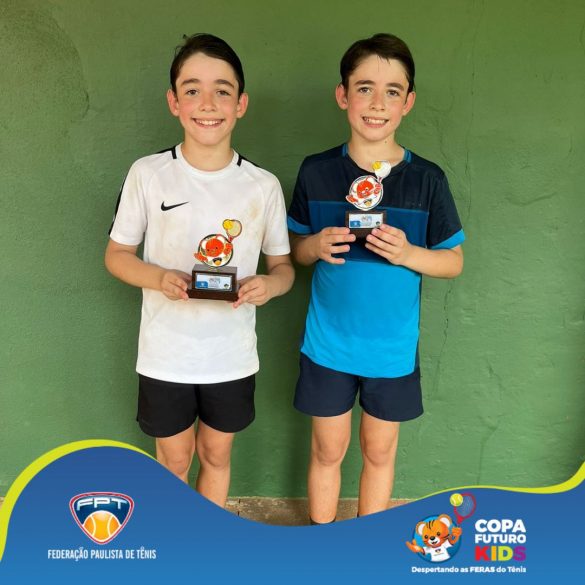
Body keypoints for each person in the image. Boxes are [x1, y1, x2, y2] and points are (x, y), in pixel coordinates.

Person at [105, 33, 294, 507]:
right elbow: (117, 256)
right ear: (174, 102)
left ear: (241, 104)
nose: (207, 104)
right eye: (192, 90)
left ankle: (207, 542)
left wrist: (269, 286)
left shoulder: (263, 185)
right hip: (165, 353)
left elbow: (284, 268)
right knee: (173, 460)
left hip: (231, 356)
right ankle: (172, 540)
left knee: (215, 455)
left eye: (222, 91)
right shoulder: (148, 174)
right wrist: (158, 278)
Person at [287, 33, 464, 523]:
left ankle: (369, 548)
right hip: (328, 346)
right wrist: (315, 246)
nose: (377, 103)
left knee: (380, 452)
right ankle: (323, 539)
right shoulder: (316, 171)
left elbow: (453, 262)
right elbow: (295, 251)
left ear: (408, 102)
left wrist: (408, 253)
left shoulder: (427, 179)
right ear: (343, 95)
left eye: (392, 91)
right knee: (327, 451)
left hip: (392, 350)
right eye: (364, 88)